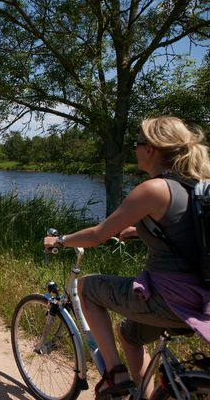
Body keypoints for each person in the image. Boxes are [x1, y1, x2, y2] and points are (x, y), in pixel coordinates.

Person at [44, 116, 210, 399]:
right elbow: (185, 231)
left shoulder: (154, 189)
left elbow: (98, 234)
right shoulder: (196, 186)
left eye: (137, 143)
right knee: (129, 335)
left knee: (87, 288)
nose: (134, 148)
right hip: (201, 299)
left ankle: (114, 375)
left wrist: (60, 240)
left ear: (151, 150)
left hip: (168, 299)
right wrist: (141, 230)